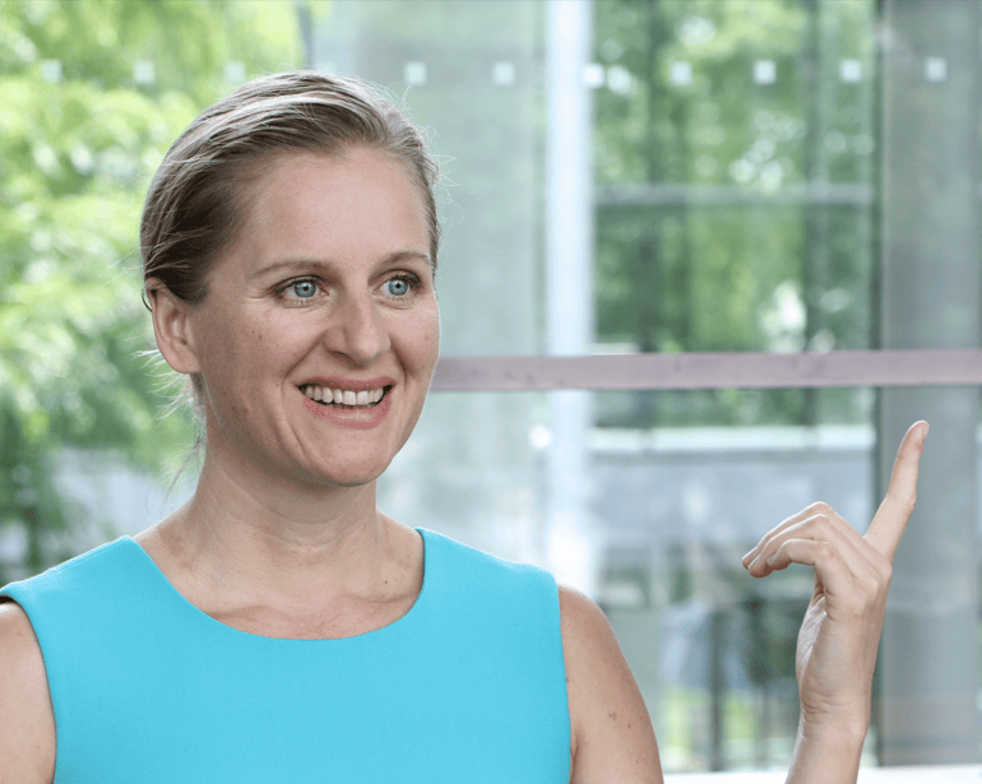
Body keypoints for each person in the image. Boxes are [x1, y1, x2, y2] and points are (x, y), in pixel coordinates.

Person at [0, 70, 928, 783]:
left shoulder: (557, 650)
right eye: (302, 286)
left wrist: (833, 719)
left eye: (399, 282)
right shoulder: (33, 670)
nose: (364, 339)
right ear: (178, 325)